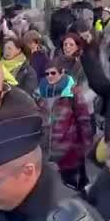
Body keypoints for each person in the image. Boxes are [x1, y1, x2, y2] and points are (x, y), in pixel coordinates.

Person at [35, 58, 93, 190]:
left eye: (53, 73)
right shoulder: (39, 93)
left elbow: (84, 119)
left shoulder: (72, 93)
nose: (49, 76)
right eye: (47, 73)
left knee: (70, 187)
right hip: (46, 150)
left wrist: (86, 145)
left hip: (69, 151)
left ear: (62, 73)